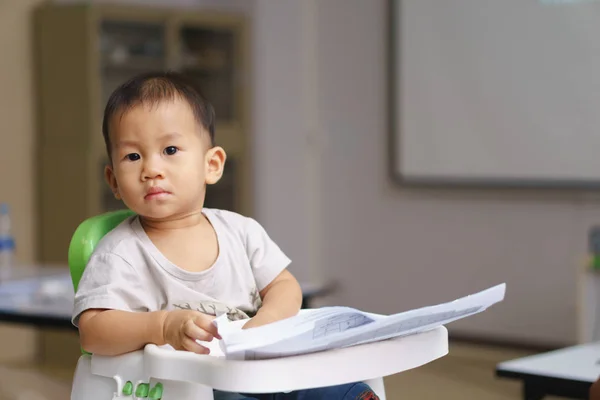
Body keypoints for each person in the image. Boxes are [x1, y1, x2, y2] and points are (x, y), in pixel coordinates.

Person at [72, 71, 379, 400]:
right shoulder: (119, 252)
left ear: (212, 165)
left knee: (338, 386)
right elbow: (94, 331)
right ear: (114, 180)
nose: (151, 169)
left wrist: (268, 321)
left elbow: (284, 286)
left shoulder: (240, 231)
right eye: (133, 156)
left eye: (170, 149)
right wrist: (162, 327)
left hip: (263, 367)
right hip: (190, 384)